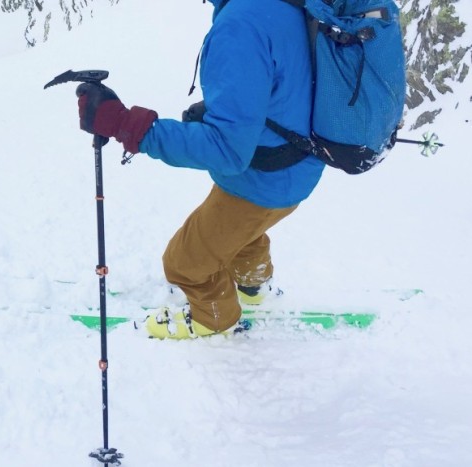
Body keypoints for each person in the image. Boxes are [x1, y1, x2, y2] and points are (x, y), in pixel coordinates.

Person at [74, 0, 325, 338]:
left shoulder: (240, 26)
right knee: (242, 230)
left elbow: (227, 151)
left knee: (184, 262)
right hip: (298, 165)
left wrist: (125, 124)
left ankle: (214, 317)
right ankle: (253, 287)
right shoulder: (279, 6)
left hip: (262, 181)